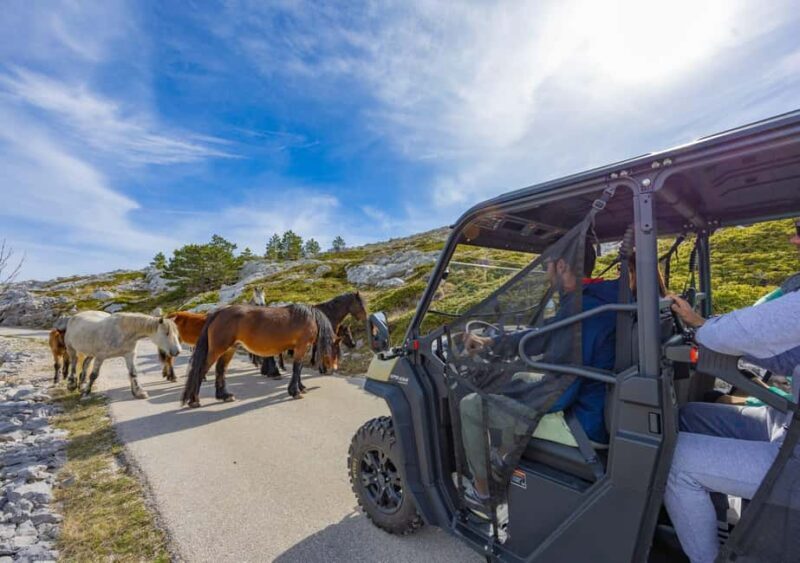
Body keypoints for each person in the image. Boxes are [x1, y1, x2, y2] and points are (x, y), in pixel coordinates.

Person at [665, 222, 800, 563]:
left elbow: (730, 335)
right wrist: (708, 328)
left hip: (793, 452)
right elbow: (784, 357)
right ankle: (712, 504)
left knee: (671, 459)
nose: (794, 238)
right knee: (690, 415)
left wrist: (701, 325)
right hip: (786, 422)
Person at [459, 241, 618, 511]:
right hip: (596, 400)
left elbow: (559, 394)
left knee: (471, 405)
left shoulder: (581, 309)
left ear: (561, 265)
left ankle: (483, 492)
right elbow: (545, 336)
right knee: (521, 378)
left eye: (547, 266)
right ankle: (501, 458)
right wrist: (492, 343)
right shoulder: (595, 299)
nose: (546, 273)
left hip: (583, 419)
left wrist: (517, 395)